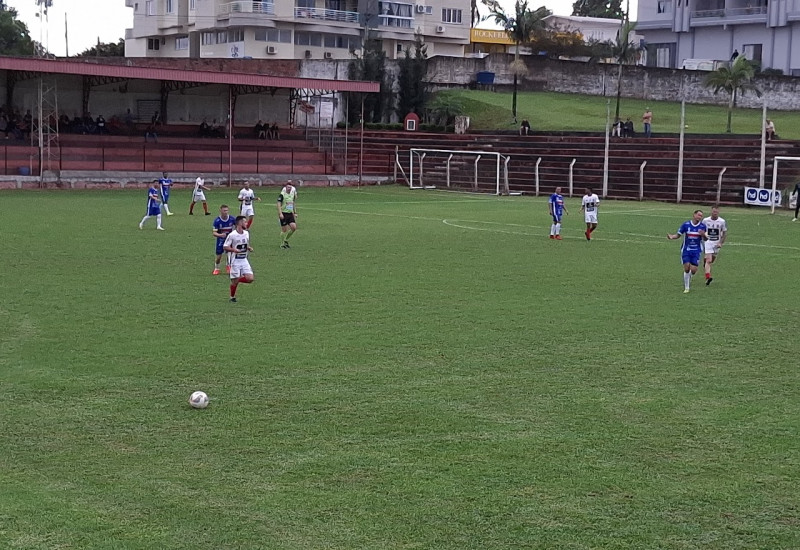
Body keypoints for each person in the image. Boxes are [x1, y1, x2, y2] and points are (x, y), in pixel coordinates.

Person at [667, 209, 707, 293]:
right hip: (686, 250)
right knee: (686, 267)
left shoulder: (703, 226)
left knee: (693, 270)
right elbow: (678, 235)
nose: (700, 217)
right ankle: (687, 288)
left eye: (701, 216)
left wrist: (703, 235)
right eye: (699, 215)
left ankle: (689, 277)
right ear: (694, 215)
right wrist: (672, 237)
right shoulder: (686, 225)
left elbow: (706, 239)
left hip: (696, 250)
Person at [223, 215, 254, 303]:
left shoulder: (246, 233)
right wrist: (233, 250)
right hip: (234, 260)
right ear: (240, 223)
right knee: (234, 282)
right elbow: (225, 246)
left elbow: (245, 244)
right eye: (245, 222)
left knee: (250, 279)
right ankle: (232, 297)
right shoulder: (232, 235)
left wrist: (249, 248)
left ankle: (236, 280)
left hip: (244, 259)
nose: (246, 223)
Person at [702, 206, 727, 286]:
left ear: (718, 212)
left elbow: (724, 233)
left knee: (711, 260)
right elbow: (702, 230)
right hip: (708, 242)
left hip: (716, 243)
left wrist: (720, 243)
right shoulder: (705, 220)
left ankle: (705, 263)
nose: (715, 213)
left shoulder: (722, 221)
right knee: (709, 260)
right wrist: (703, 236)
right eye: (713, 212)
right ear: (711, 212)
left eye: (716, 212)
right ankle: (708, 277)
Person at [212, 204, 236, 275]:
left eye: (227, 210)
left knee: (230, 253)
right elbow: (214, 233)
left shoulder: (232, 219)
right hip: (221, 240)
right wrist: (220, 235)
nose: (226, 212)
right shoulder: (217, 221)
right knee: (219, 256)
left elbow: (237, 226)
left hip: (230, 240)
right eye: (224, 210)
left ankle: (228, 266)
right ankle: (216, 268)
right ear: (221, 211)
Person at [277, 179, 298, 248]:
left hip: (290, 213)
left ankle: (286, 240)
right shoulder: (282, 194)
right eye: (288, 187)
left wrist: (295, 212)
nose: (289, 188)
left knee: (294, 227)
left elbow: (293, 203)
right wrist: (280, 213)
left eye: (290, 187)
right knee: (284, 230)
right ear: (285, 187)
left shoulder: (292, 194)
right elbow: (278, 204)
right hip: (284, 213)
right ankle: (282, 244)